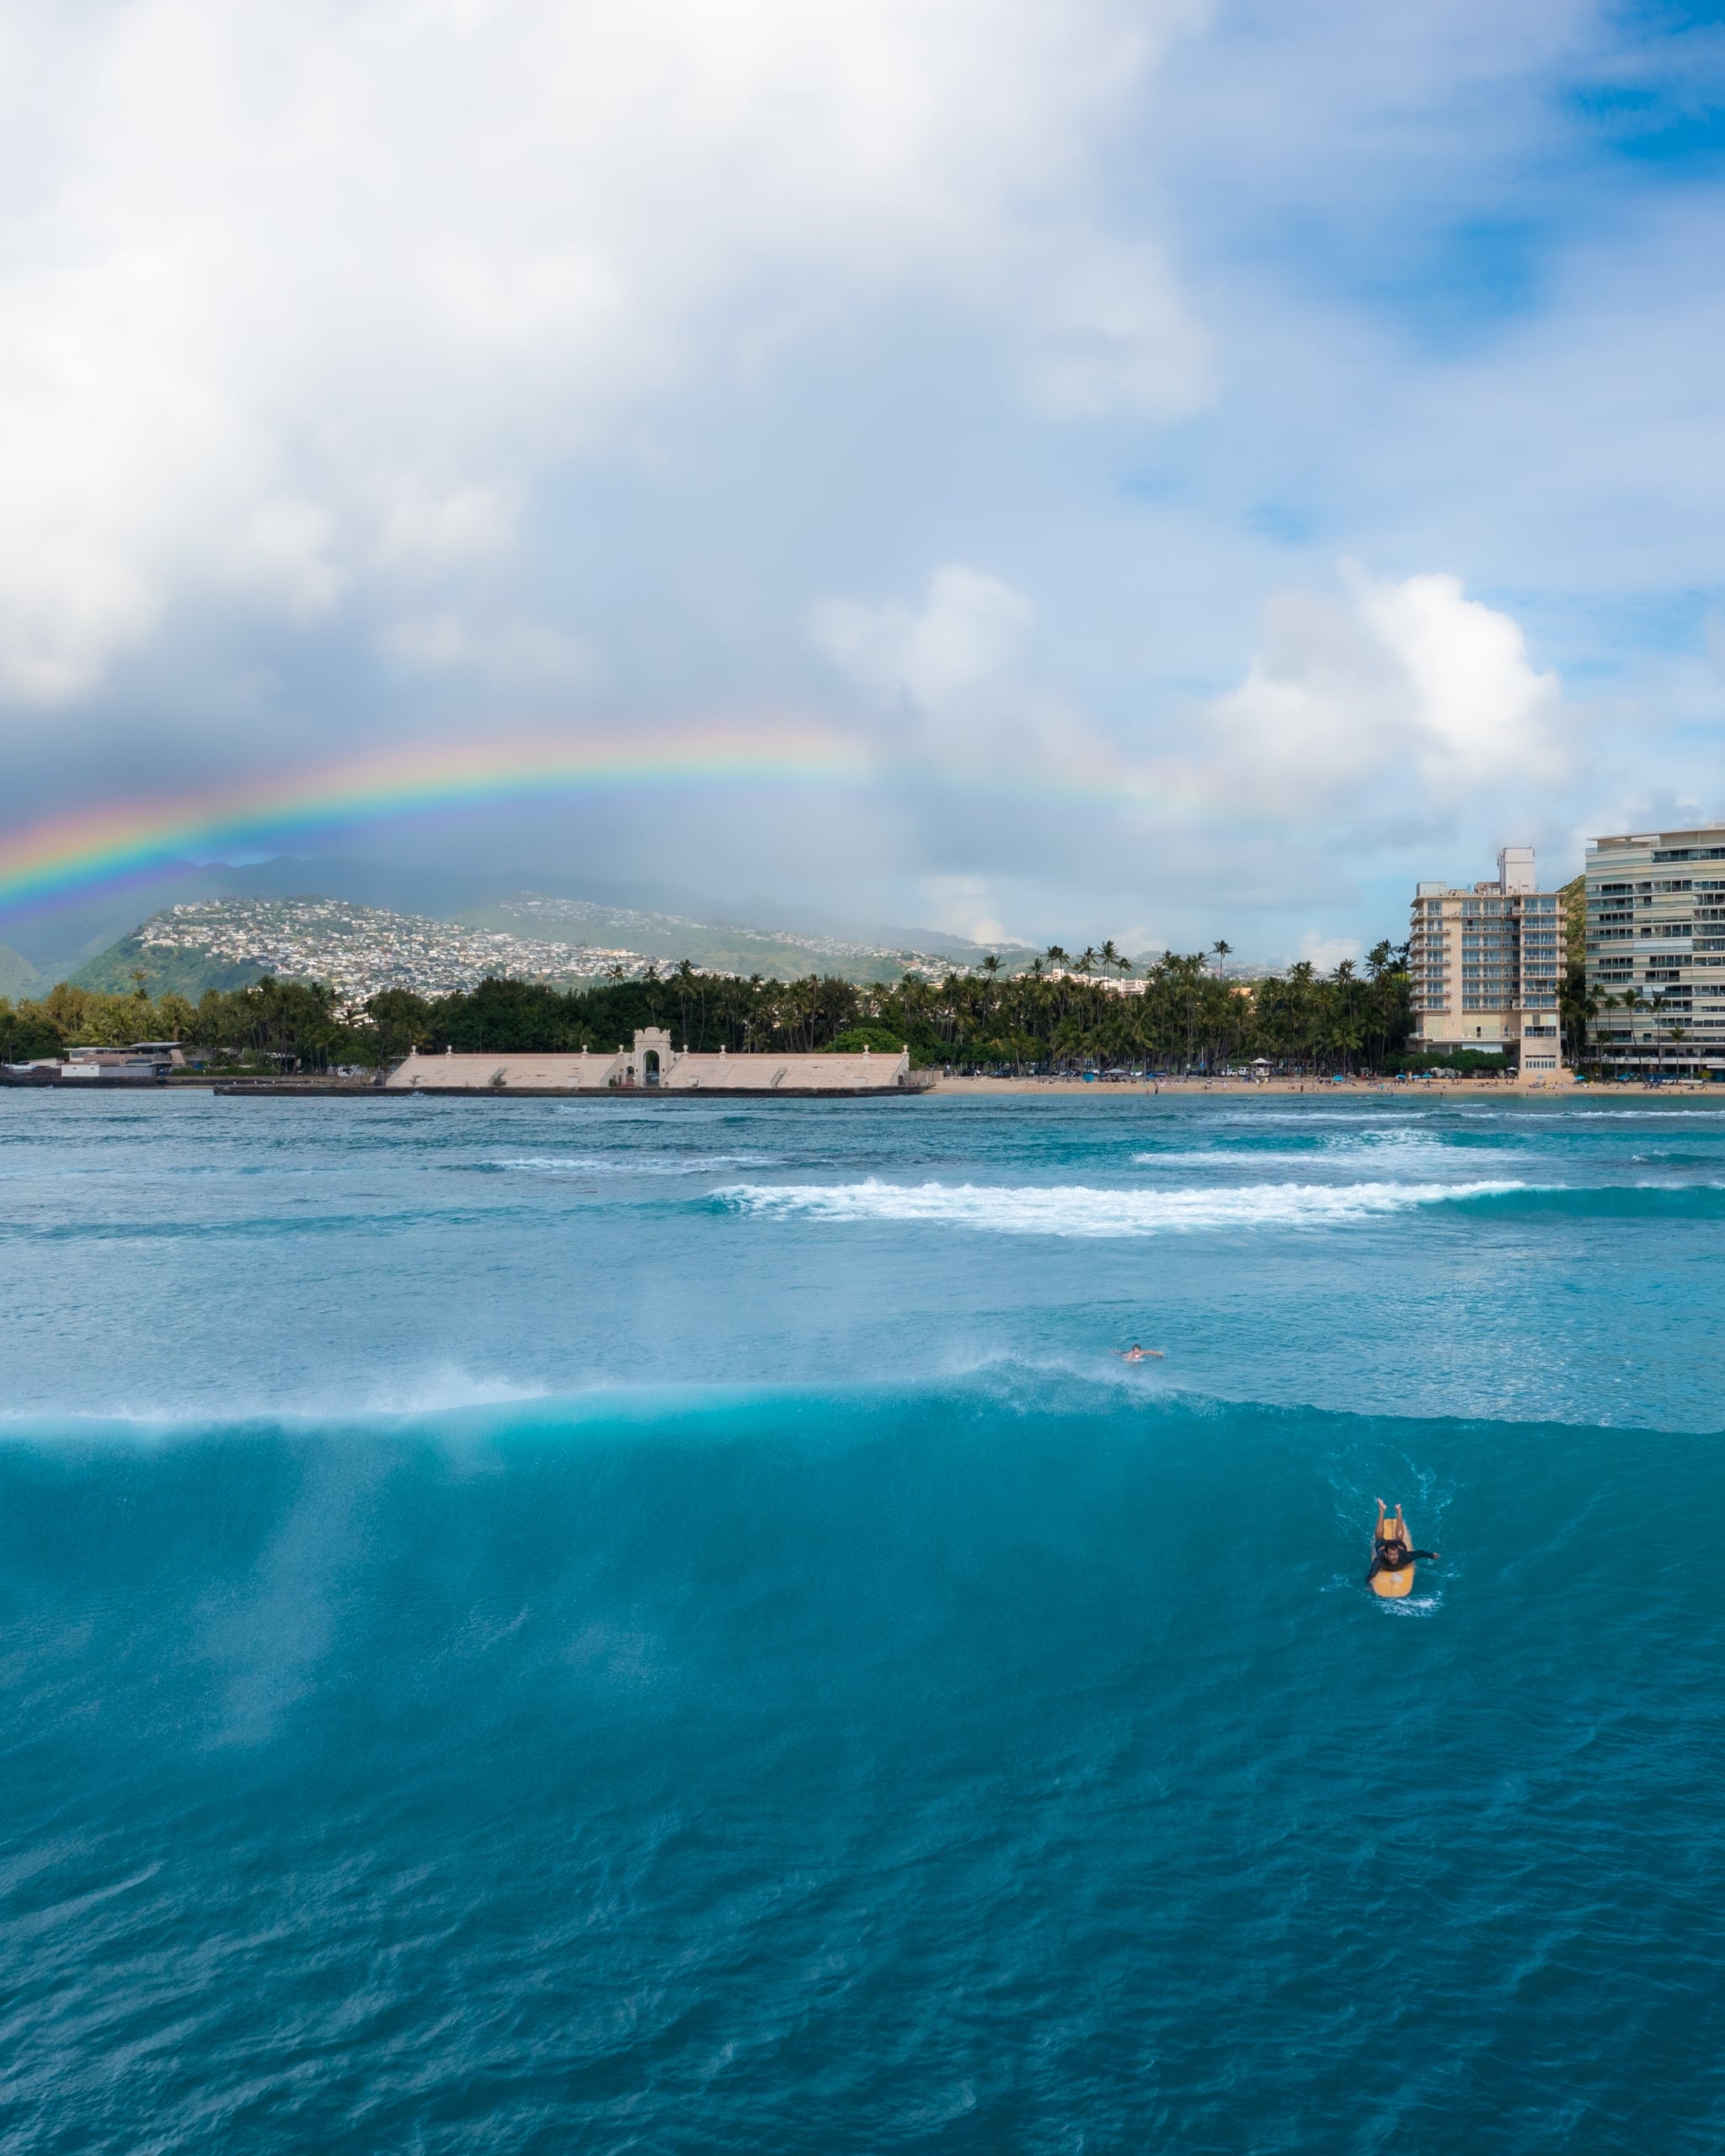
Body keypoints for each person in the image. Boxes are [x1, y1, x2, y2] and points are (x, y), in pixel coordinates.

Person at [1368, 1499, 1439, 1581]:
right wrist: (1369, 1583)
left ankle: (1398, 1511)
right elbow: (1371, 1573)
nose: (1395, 1557)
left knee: (1397, 1539)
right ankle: (1382, 1510)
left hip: (1398, 1545)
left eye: (1396, 1554)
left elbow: (1420, 1553)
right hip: (1382, 1545)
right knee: (1379, 1538)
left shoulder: (1405, 1558)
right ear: (1386, 1555)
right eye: (1391, 1555)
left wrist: (1432, 1555)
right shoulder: (1380, 1560)